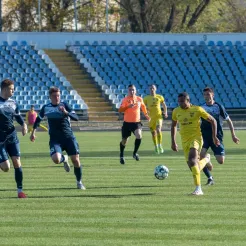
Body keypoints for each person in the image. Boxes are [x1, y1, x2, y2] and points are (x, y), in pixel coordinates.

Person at [30, 86, 85, 190]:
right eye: (54, 96)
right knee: (56, 159)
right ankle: (64, 159)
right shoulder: (46, 107)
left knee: (76, 160)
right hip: (55, 139)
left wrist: (66, 113)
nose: (57, 98)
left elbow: (76, 118)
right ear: (50, 97)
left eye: (58, 95)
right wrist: (33, 132)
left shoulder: (65, 105)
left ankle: (79, 182)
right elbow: (38, 120)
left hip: (68, 137)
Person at [171, 92, 220, 195]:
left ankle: (198, 189)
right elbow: (174, 125)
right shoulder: (176, 111)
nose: (180, 103)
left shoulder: (197, 109)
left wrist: (214, 136)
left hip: (196, 138)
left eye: (182, 101)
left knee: (192, 160)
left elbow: (213, 121)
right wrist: (173, 141)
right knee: (193, 167)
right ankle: (206, 159)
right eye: (179, 101)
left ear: (188, 101)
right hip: (184, 141)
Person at [200, 87, 240, 185]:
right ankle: (210, 178)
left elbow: (229, 121)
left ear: (212, 95)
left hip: (217, 137)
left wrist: (233, 135)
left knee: (220, 161)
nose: (206, 96)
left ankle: (208, 158)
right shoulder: (201, 108)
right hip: (204, 136)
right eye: (205, 95)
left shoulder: (218, 106)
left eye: (208, 94)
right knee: (200, 157)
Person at [0, 79, 27, 198]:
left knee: (17, 161)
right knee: (6, 168)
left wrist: (24, 125)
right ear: (5, 89)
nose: (13, 91)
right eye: (11, 89)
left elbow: (18, 117)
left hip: (12, 137)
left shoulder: (14, 102)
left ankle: (20, 191)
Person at [118, 84, 150, 164]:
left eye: (133, 90)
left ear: (135, 91)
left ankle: (135, 153)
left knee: (139, 135)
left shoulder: (139, 99)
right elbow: (120, 110)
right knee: (124, 141)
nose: (132, 91)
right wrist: (128, 106)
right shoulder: (125, 100)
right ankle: (121, 155)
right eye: (130, 90)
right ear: (127, 91)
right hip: (127, 123)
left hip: (136, 122)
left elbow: (143, 107)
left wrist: (146, 115)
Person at [143, 84, 168, 154]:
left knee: (158, 129)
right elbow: (143, 107)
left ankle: (160, 145)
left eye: (153, 88)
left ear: (156, 89)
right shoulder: (146, 98)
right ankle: (156, 146)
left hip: (158, 117)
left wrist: (165, 113)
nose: (152, 89)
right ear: (149, 89)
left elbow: (164, 106)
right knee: (153, 133)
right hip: (151, 119)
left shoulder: (159, 97)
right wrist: (146, 112)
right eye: (150, 88)